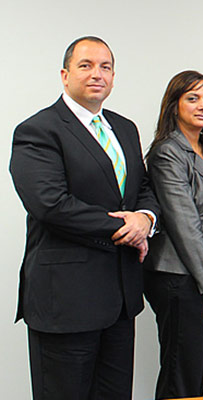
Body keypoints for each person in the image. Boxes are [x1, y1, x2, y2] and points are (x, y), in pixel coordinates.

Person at [10, 36, 160, 400]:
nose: (97, 74)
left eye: (105, 67)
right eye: (86, 65)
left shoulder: (124, 128)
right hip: (66, 302)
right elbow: (51, 204)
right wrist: (125, 227)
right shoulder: (38, 130)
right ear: (65, 75)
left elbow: (143, 188)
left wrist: (146, 218)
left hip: (120, 301)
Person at [143, 70, 203, 398]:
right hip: (180, 278)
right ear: (174, 105)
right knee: (181, 377)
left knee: (194, 375)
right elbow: (185, 225)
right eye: (192, 98)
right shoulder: (168, 152)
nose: (202, 106)